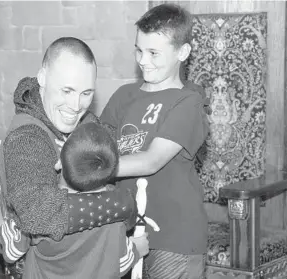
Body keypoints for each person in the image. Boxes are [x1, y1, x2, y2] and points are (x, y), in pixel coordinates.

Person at [0, 37, 138, 278]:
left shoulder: (87, 122)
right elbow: (35, 213)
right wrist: (121, 204)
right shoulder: (27, 137)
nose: (75, 105)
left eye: (86, 93)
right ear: (42, 78)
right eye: (67, 90)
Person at [100, 4, 209, 279]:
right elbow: (97, 144)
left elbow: (151, 160)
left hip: (174, 237)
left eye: (153, 53)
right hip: (123, 231)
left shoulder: (189, 103)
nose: (143, 60)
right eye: (138, 49)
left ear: (182, 52)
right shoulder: (123, 96)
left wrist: (90, 167)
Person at [0, 121, 149, 278]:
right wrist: (137, 249)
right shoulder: (116, 213)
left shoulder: (44, 211)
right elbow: (119, 263)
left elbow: (11, 252)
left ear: (58, 164)